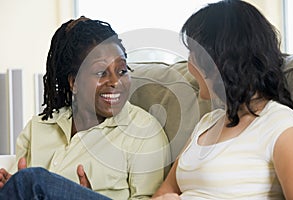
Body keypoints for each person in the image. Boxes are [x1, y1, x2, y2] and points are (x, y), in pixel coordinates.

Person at [0, 16, 170, 199]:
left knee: (32, 180)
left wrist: (87, 196)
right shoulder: (39, 127)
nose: (115, 82)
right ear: (74, 83)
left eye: (122, 71)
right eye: (101, 73)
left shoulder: (143, 131)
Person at [152, 0, 293, 199]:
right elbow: (164, 190)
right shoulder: (207, 123)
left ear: (220, 60)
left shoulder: (279, 124)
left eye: (193, 54)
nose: (189, 65)